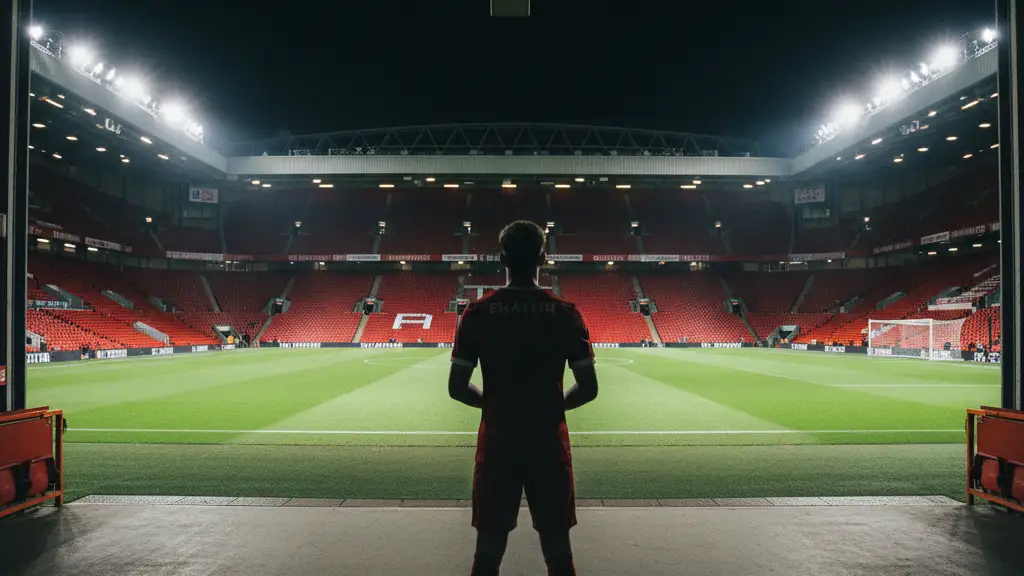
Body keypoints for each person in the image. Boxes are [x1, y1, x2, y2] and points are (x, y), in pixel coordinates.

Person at [448, 220, 599, 576]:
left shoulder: (478, 313)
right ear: (543, 258)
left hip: (498, 443)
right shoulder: (566, 313)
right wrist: (548, 407)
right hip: (548, 443)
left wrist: (497, 406)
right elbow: (588, 389)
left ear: (502, 258)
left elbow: (457, 388)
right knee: (558, 548)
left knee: (488, 548)